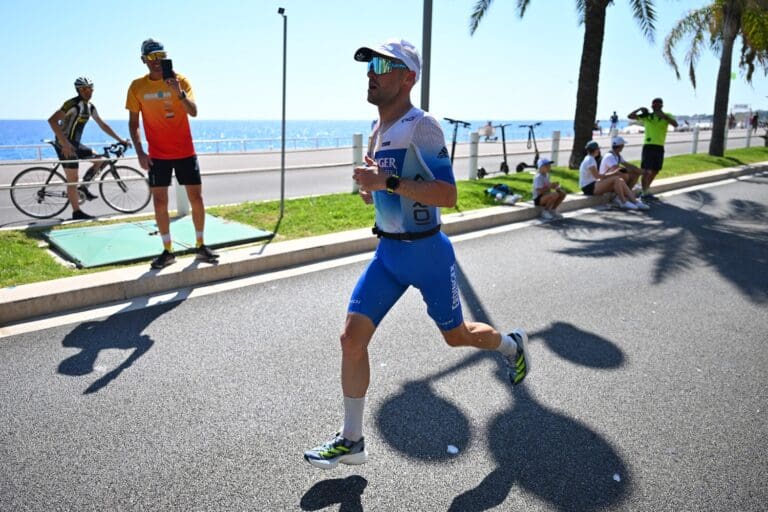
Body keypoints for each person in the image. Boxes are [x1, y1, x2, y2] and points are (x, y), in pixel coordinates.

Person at [303, 38, 531, 470]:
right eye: (368, 64)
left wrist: (386, 183)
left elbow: (447, 194)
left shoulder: (422, 126)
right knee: (351, 339)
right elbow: (390, 190)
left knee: (455, 335)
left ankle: (510, 345)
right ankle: (352, 440)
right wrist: (374, 191)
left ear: (408, 77)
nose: (371, 72)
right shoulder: (380, 129)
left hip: (427, 255)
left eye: (382, 66)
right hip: (387, 254)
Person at [126, 39, 218, 269]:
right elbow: (133, 123)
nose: (157, 61)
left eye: (161, 56)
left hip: (185, 151)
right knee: (159, 202)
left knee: (196, 199)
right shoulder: (137, 87)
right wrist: (140, 152)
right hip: (157, 155)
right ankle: (167, 250)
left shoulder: (181, 81)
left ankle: (200, 245)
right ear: (143, 60)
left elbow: (193, 112)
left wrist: (178, 92)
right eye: (151, 57)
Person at [48, 77, 130, 220]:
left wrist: (120, 140)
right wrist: (65, 144)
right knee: (73, 179)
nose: (89, 91)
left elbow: (103, 125)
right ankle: (76, 212)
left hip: (74, 143)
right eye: (85, 89)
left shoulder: (90, 107)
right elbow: (52, 121)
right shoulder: (71, 104)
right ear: (79, 90)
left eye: (91, 88)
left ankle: (84, 187)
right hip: (64, 145)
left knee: (101, 160)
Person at [628, 97, 678, 201]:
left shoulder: (667, 115)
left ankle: (645, 190)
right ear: (652, 106)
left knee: (655, 170)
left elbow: (675, 124)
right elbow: (630, 116)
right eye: (654, 106)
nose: (656, 107)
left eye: (658, 105)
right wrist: (639, 109)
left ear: (662, 106)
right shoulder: (648, 116)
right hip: (649, 145)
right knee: (646, 170)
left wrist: (663, 116)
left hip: (659, 146)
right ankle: (645, 192)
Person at [580, 140, 648, 210]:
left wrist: (613, 174)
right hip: (588, 187)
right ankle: (624, 202)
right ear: (595, 150)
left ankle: (635, 202)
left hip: (592, 185)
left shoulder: (590, 159)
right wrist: (614, 173)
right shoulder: (590, 160)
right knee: (616, 178)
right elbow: (597, 176)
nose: (599, 150)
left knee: (620, 180)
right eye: (598, 149)